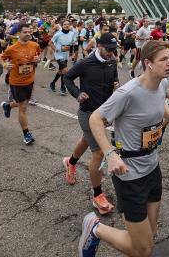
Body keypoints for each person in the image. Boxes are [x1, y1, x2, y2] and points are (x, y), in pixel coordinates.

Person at [78, 41, 169, 257]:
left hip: (152, 166)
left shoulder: (163, 84)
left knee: (151, 234)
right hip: (129, 174)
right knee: (142, 249)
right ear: (148, 63)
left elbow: (161, 105)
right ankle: (95, 228)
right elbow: (95, 119)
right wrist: (110, 154)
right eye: (164, 60)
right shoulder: (127, 93)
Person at [62, 32, 120, 215]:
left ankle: (70, 162)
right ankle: (98, 196)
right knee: (99, 152)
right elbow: (67, 78)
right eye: (108, 50)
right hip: (88, 113)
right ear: (98, 46)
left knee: (86, 140)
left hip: (104, 113)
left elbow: (114, 79)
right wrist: (77, 94)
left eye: (113, 50)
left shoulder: (112, 61)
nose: (111, 53)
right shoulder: (85, 63)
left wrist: (116, 85)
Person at [0, 26, 43, 144]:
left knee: (22, 103)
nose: (28, 34)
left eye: (29, 32)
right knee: (23, 107)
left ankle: (7, 106)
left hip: (30, 80)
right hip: (17, 82)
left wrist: (38, 59)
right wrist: (4, 65)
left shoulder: (34, 45)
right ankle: (26, 134)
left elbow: (39, 55)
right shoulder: (12, 48)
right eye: (25, 32)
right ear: (18, 34)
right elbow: (1, 58)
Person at [49, 19, 75, 94]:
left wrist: (71, 52)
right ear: (62, 26)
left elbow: (72, 43)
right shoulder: (58, 34)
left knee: (61, 71)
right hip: (58, 55)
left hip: (65, 54)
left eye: (68, 24)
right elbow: (50, 43)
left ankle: (53, 83)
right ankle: (62, 87)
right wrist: (55, 49)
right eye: (65, 24)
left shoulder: (71, 33)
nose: (67, 26)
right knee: (65, 70)